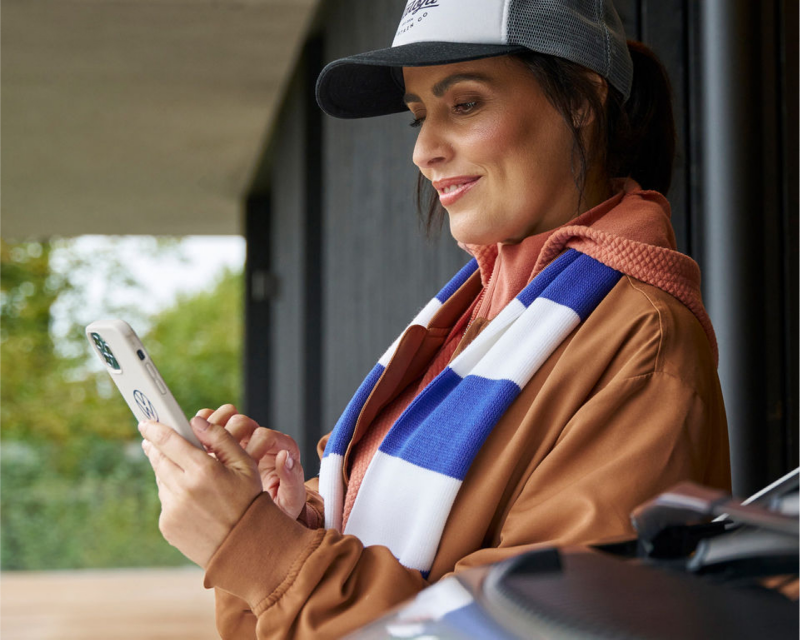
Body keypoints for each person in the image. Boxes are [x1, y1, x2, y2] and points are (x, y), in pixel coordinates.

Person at [139, 1, 731, 637]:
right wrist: (287, 515)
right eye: (419, 116)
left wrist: (255, 547)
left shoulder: (639, 338)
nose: (424, 150)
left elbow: (536, 626)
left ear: (583, 101)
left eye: (466, 104)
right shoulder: (477, 318)